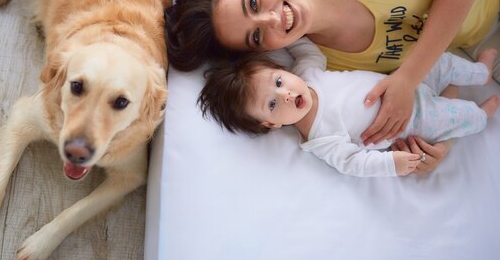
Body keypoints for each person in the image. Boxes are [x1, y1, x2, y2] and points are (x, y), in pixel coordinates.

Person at [166, 0, 500, 171]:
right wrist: (441, 142)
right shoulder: (333, 71)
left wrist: (406, 80)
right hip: (481, 41)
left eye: (253, 2)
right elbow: (432, 77)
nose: (271, 20)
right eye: (255, 37)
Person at [198, 38, 499, 177]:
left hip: (403, 83)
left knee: (442, 61)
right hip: (414, 118)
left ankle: (480, 72)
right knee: (459, 116)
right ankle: (481, 114)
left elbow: (304, 45)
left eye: (279, 81)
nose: (287, 93)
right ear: (271, 124)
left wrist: (277, 37)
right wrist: (389, 164)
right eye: (273, 104)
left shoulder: (308, 74)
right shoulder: (319, 139)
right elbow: (354, 163)